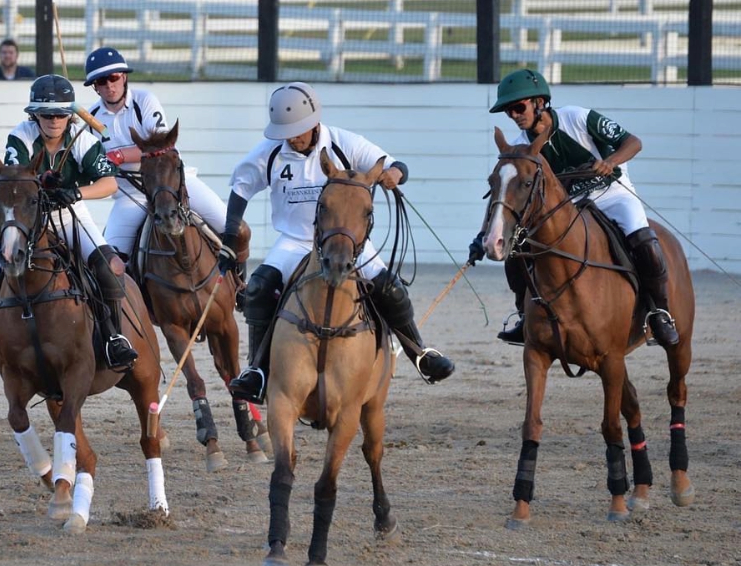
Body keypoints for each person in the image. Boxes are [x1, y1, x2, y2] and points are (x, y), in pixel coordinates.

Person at [223, 82, 455, 404]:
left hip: (349, 244)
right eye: (285, 132)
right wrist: (229, 235)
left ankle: (419, 352)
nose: (291, 138)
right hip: (295, 241)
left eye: (297, 131)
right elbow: (241, 187)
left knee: (390, 288)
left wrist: (396, 175)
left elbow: (393, 164)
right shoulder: (271, 151)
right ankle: (257, 371)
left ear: (314, 121)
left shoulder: (345, 143)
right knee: (260, 288)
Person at [468, 69, 679, 348]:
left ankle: (659, 312)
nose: (514, 116)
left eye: (518, 107)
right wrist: (482, 235)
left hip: (612, 194)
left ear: (540, 102)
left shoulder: (577, 117)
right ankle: (524, 315)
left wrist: (611, 161)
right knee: (518, 251)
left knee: (643, 239)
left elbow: (633, 142)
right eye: (509, 112)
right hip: (569, 208)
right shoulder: (521, 147)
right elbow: (506, 194)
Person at [0, 74, 138, 378]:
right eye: (47, 114)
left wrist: (76, 193)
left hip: (70, 216)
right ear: (35, 115)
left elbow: (109, 184)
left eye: (60, 114)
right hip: (29, 220)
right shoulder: (22, 136)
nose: (54, 120)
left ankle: (112, 338)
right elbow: (15, 176)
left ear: (69, 115)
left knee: (112, 268)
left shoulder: (82, 140)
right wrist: (40, 181)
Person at [81, 47, 236, 266]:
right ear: (95, 87)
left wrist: (119, 155)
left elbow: (161, 146)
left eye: (113, 78)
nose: (109, 85)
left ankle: (239, 282)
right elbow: (91, 164)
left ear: (123, 77)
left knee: (231, 228)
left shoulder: (144, 100)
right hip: (130, 195)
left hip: (173, 183)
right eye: (101, 81)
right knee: (112, 263)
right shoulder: (90, 119)